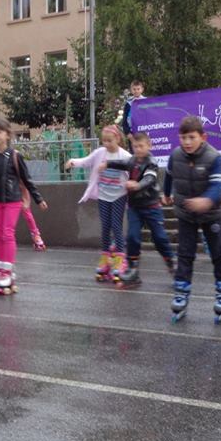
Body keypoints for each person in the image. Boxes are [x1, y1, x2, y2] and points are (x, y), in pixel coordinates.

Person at [162, 116, 221, 323]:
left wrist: (207, 200)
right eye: (183, 137)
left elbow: (217, 185)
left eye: (191, 137)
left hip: (211, 214)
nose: (187, 142)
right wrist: (166, 193)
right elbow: (168, 174)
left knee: (218, 254)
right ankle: (181, 293)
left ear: (203, 137)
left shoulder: (213, 157)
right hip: (186, 214)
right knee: (185, 254)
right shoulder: (175, 155)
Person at [0, 116, 47, 295]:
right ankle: (1, 268)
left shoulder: (15, 156)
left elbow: (27, 180)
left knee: (7, 233)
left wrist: (38, 199)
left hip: (13, 200)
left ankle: (8, 270)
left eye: (0, 132)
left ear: (7, 135)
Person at [101, 131, 175, 287]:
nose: (138, 149)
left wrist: (137, 185)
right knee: (132, 237)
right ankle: (133, 270)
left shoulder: (151, 162)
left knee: (159, 238)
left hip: (151, 206)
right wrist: (107, 163)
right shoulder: (132, 160)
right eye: (135, 146)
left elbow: (150, 178)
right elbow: (122, 163)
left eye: (141, 146)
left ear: (149, 146)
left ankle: (171, 262)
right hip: (135, 207)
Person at [65, 125, 132, 281]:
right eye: (104, 141)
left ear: (118, 139)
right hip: (103, 195)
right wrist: (73, 162)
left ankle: (120, 259)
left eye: (110, 140)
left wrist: (135, 185)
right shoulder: (100, 153)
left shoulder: (125, 155)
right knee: (105, 227)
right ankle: (105, 258)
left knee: (116, 226)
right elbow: (86, 161)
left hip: (119, 196)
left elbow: (135, 168)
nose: (106, 144)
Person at [119, 80, 146, 145]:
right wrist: (127, 133)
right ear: (131, 90)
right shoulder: (128, 104)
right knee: (134, 150)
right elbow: (125, 119)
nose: (136, 91)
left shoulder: (147, 101)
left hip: (145, 132)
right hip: (132, 133)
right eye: (134, 89)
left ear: (142, 89)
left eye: (138, 89)